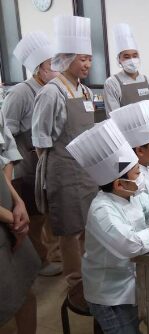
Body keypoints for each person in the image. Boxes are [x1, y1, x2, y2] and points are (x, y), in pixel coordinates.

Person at [66, 119, 149, 333]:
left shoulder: (130, 195)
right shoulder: (102, 211)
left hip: (130, 282)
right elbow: (129, 245)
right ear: (119, 183)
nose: (141, 177)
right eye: (136, 174)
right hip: (108, 294)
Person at [31, 15, 98, 288]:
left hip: (86, 169)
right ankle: (75, 284)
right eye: (82, 59)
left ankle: (91, 275)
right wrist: (56, 168)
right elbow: (40, 139)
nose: (87, 64)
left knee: (88, 225)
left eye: (89, 59)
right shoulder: (51, 92)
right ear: (66, 57)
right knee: (69, 230)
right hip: (63, 170)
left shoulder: (85, 92)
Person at [2, 31, 62, 276]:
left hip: (48, 163)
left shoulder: (55, 88)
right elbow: (7, 133)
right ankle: (40, 261)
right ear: (38, 68)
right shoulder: (20, 93)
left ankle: (52, 252)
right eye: (52, 65)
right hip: (27, 166)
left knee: (47, 211)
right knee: (34, 216)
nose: (56, 68)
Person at [0, 113, 41, 334]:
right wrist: (11, 219)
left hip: (8, 211)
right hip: (7, 219)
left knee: (25, 290)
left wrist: (18, 201)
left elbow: (3, 161)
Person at [103, 23, 149, 121]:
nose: (132, 60)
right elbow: (113, 117)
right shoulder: (112, 83)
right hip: (125, 134)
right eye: (126, 57)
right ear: (119, 60)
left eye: (135, 56)